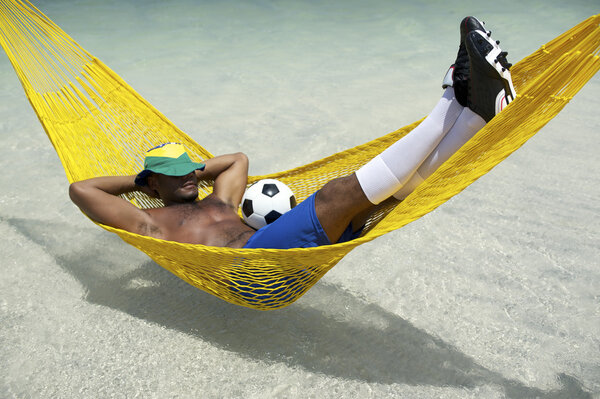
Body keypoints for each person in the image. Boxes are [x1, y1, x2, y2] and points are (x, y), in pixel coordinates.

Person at [69, 17, 515, 250]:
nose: (189, 176)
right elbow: (80, 188)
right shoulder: (151, 224)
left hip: (288, 251)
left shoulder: (219, 200)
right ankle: (450, 101)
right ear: (153, 184)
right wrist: (144, 181)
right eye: (176, 173)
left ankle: (474, 110)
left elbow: (237, 159)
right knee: (333, 194)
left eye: (191, 168)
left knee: (391, 197)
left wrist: (189, 173)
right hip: (251, 269)